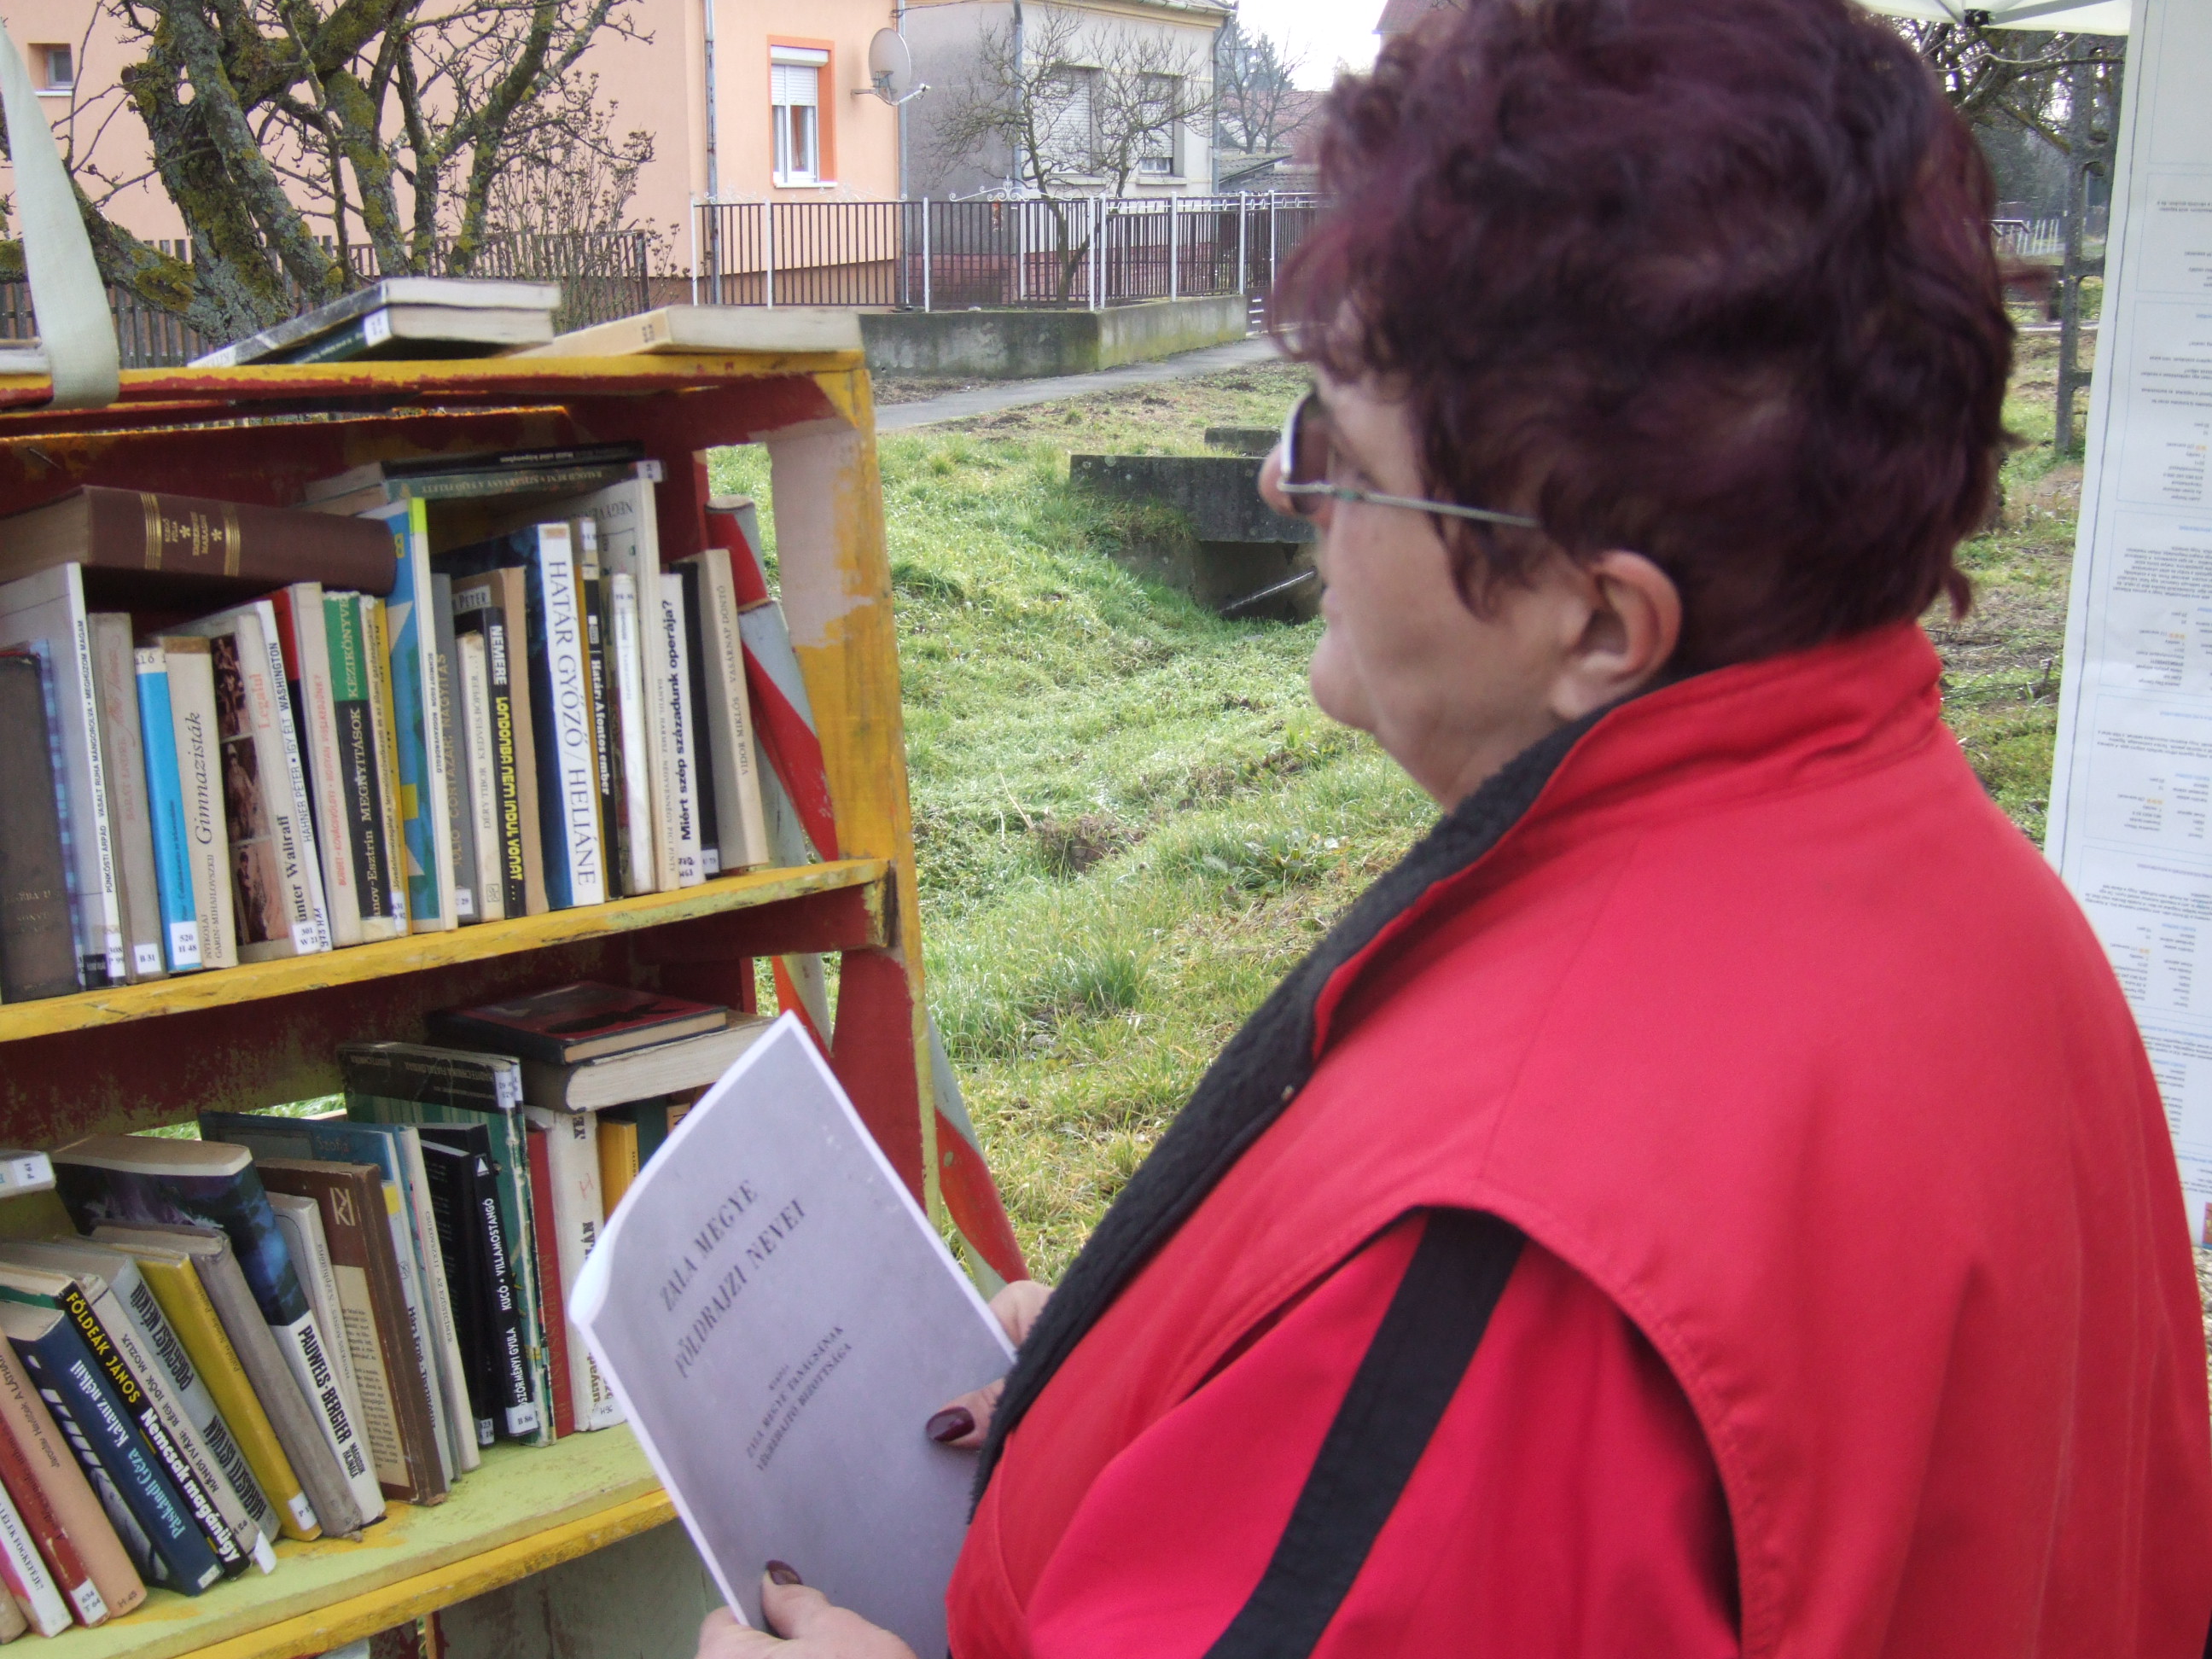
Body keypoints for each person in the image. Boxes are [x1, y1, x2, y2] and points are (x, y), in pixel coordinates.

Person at [701, 0, 2212, 1652]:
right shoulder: (1971, 901)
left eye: (1342, 451)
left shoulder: (1503, 1249)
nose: (1283, 488)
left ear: (1598, 623)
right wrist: (1175, 1385)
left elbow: (1488, 1394)